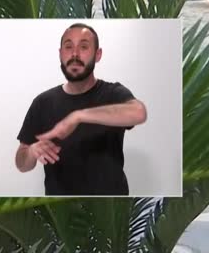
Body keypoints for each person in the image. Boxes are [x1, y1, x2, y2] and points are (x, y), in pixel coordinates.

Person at [15, 23, 148, 196]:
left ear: (98, 54)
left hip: (110, 205)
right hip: (60, 208)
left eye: (84, 47)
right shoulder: (43, 102)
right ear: (60, 54)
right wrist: (32, 151)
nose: (75, 54)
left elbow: (138, 112)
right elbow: (22, 164)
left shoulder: (113, 93)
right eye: (68, 47)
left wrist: (78, 116)